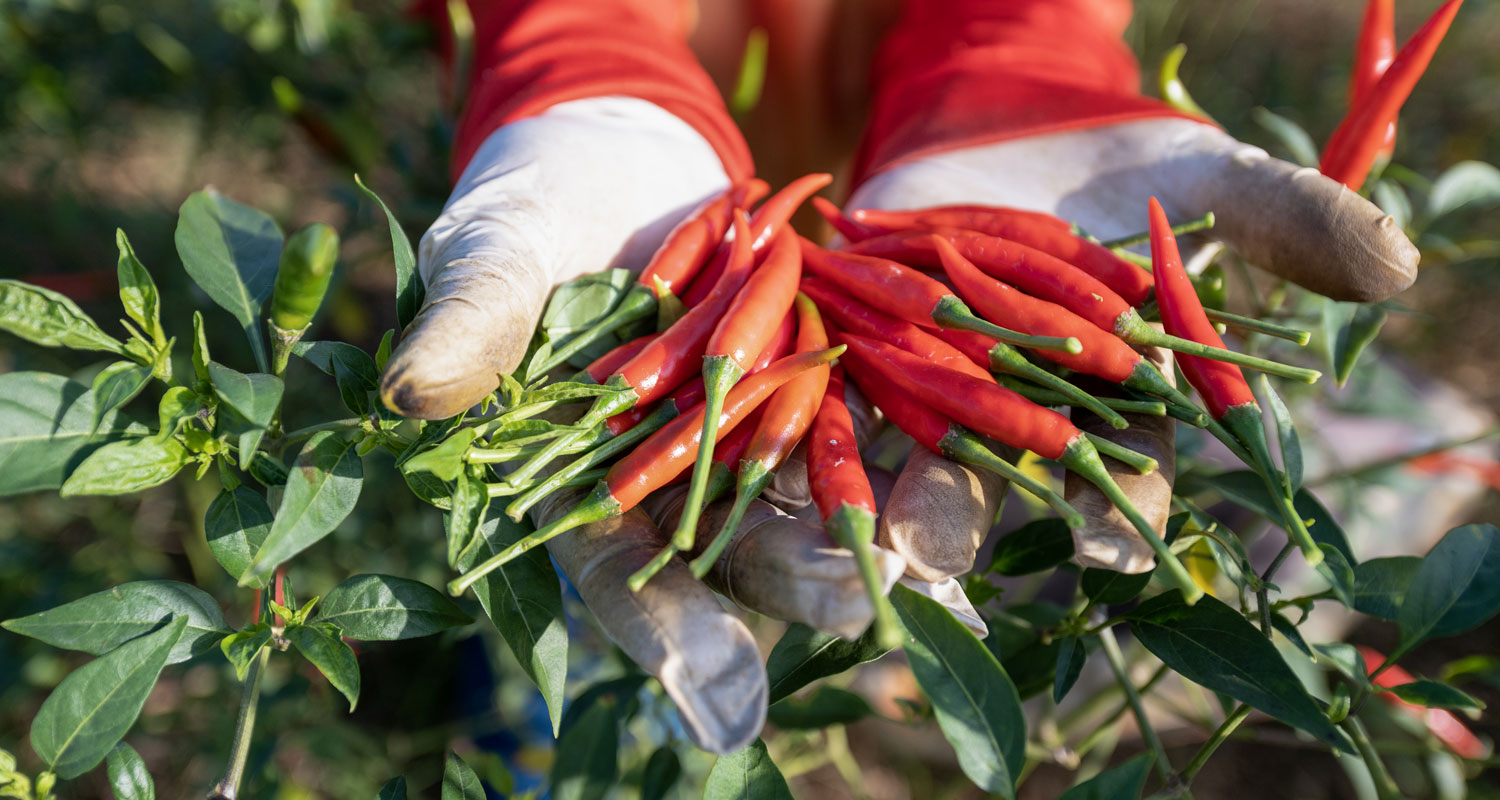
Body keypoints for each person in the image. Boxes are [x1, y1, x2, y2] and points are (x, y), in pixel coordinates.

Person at [379, 0, 1420, 754]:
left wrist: (1020, 76)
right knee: (608, 548)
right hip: (659, 207)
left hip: (872, 171)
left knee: (703, 501)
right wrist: (584, 76)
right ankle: (555, 738)